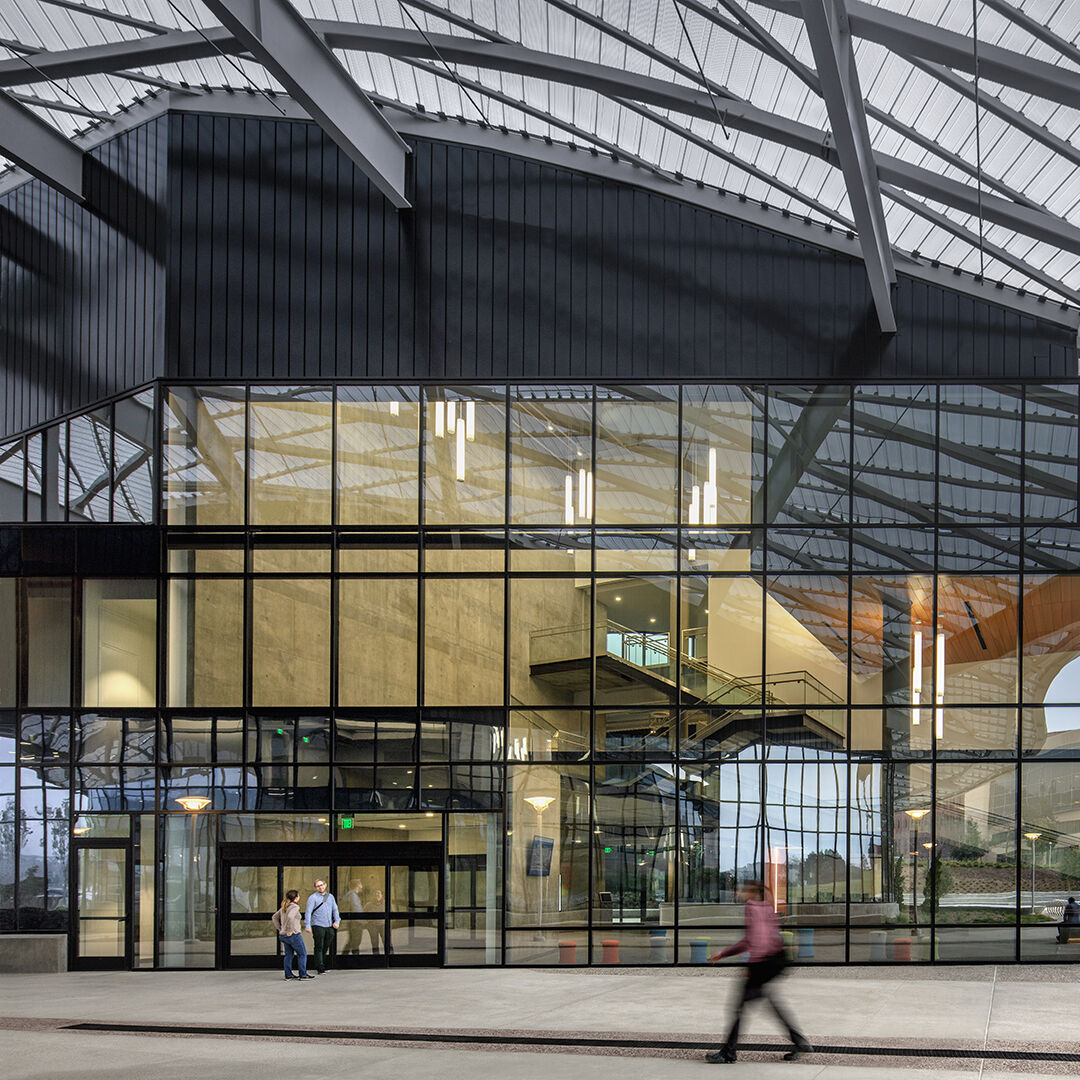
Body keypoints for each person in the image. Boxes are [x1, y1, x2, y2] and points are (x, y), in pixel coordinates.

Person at [705, 880, 812, 1064]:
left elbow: (755, 940)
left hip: (761, 965)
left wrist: (749, 965)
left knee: (739, 1008)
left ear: (753, 892)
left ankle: (728, 1053)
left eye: (744, 890)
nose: (741, 893)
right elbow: (768, 937)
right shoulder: (767, 907)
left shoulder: (751, 908)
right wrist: (724, 954)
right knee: (768, 1003)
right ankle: (799, 1041)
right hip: (774, 962)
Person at [272, 889, 314, 981]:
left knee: (288, 955)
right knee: (302, 954)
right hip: (293, 935)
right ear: (296, 897)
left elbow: (274, 917)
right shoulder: (294, 907)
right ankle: (302, 974)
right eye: (298, 895)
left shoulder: (284, 906)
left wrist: (280, 929)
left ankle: (288, 975)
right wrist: (290, 930)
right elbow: (291, 917)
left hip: (284, 935)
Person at [304, 877, 341, 974]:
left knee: (326, 945)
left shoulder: (330, 897)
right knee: (319, 946)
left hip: (329, 926)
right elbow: (308, 912)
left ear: (325, 885)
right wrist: (308, 925)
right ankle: (319, 966)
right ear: (315, 888)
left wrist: (337, 921)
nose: (320, 887)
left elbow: (335, 909)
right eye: (317, 886)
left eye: (321, 885)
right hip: (318, 925)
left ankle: (322, 963)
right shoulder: (312, 898)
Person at [342, 879, 365, 955]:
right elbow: (356, 909)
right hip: (356, 922)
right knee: (355, 942)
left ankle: (345, 957)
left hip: (353, 922)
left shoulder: (351, 895)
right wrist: (361, 920)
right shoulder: (352, 895)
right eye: (361, 884)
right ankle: (354, 958)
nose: (362, 886)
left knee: (352, 941)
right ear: (357, 885)